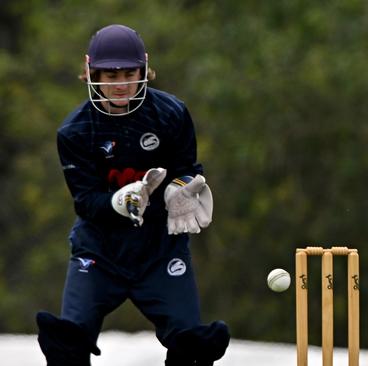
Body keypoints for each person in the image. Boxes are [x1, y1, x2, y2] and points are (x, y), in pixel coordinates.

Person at [36, 24, 230, 366]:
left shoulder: (171, 114)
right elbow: (85, 202)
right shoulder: (75, 131)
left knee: (193, 348)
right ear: (90, 71)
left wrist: (181, 190)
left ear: (144, 68)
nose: (121, 84)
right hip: (99, 251)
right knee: (68, 344)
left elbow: (189, 169)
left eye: (129, 73)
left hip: (159, 248)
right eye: (110, 76)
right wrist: (119, 202)